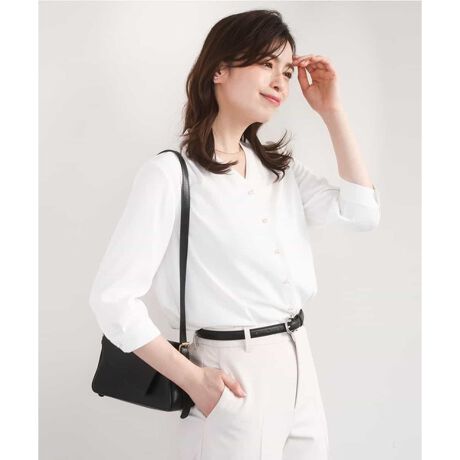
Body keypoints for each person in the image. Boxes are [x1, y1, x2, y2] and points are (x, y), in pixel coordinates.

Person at [89, 9, 381, 460]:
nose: (281, 81)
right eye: (266, 64)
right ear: (219, 70)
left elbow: (362, 213)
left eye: (287, 71)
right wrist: (194, 380)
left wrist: (332, 111)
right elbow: (112, 300)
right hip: (231, 371)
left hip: (299, 360)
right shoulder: (171, 175)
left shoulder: (278, 172)